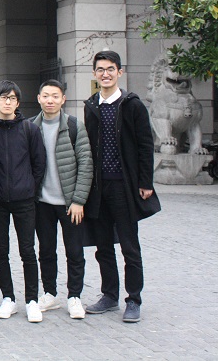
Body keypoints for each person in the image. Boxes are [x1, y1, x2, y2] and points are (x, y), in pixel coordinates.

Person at [83, 50, 158, 323]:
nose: (105, 74)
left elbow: (145, 145)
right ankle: (109, 295)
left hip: (124, 187)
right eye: (101, 69)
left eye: (110, 69)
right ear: (95, 74)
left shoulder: (132, 105)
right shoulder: (91, 106)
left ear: (119, 72)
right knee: (103, 245)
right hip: (98, 188)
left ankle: (133, 299)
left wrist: (145, 182)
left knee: (129, 245)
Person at [31, 79, 93, 319]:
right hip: (42, 203)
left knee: (74, 251)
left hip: (70, 204)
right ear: (39, 98)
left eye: (55, 96)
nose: (50, 100)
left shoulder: (75, 126)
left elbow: (86, 164)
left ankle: (74, 296)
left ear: (63, 99)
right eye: (46, 96)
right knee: (46, 250)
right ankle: (49, 293)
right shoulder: (31, 127)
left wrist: (78, 200)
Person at [0, 80, 46, 323]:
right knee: (1, 250)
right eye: (3, 97)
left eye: (12, 98)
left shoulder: (29, 129)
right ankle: (8, 298)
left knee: (27, 250)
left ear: (18, 102)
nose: (7, 102)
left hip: (24, 200)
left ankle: (32, 300)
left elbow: (39, 164)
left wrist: (29, 188)